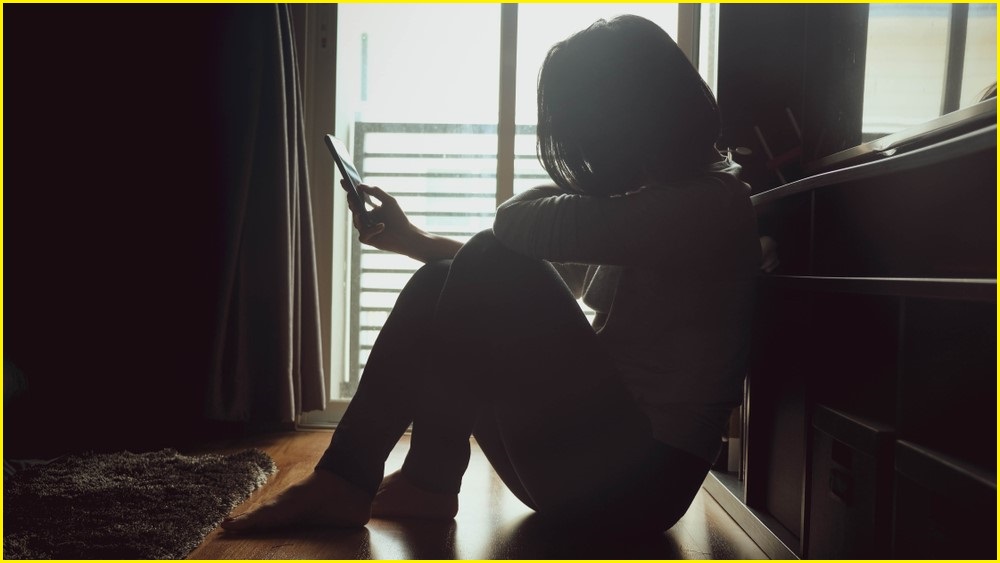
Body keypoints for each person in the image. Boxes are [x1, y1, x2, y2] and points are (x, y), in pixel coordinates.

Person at [222, 14, 760, 535]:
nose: (587, 154)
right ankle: (363, 479)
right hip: (599, 469)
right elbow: (518, 275)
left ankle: (421, 479)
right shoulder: (667, 200)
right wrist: (412, 241)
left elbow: (511, 226)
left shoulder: (703, 205)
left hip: (639, 484)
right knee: (445, 278)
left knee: (486, 255)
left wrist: (581, 195)